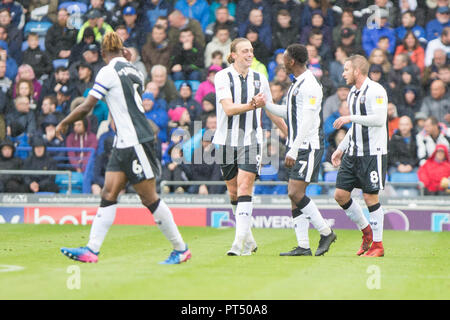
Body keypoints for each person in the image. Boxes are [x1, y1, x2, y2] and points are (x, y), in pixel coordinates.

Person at [56, 32, 191, 265]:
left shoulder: (108, 71)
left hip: (136, 140)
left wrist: (64, 122)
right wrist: (126, 56)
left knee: (149, 198)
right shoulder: (133, 70)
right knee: (109, 192)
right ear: (122, 50)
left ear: (102, 53)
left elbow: (88, 105)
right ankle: (92, 249)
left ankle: (181, 249)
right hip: (124, 142)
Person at [213, 37, 285, 256]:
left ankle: (238, 244)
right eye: (245, 51)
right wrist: (252, 105)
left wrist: (288, 132)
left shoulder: (260, 78)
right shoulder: (222, 76)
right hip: (225, 141)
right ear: (233, 54)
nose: (250, 54)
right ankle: (249, 239)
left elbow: (269, 108)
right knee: (233, 192)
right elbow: (228, 109)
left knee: (245, 187)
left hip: (251, 140)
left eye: (251, 50)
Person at [264, 44, 336, 256]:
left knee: (295, 192)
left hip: (308, 146)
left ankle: (326, 232)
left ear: (292, 61)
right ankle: (303, 245)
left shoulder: (310, 85)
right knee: (295, 195)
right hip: (298, 146)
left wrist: (293, 150)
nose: (282, 62)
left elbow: (307, 121)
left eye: (284, 58)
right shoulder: (296, 84)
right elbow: (288, 114)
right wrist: (264, 104)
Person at [331, 55, 388, 257]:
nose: (343, 73)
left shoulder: (376, 90)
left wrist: (349, 117)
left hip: (372, 153)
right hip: (353, 153)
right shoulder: (352, 93)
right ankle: (367, 233)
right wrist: (341, 148)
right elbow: (356, 125)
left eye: (346, 69)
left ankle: (378, 246)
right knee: (340, 195)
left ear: (357, 71)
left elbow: (380, 119)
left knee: (370, 196)